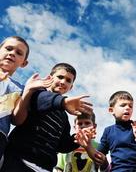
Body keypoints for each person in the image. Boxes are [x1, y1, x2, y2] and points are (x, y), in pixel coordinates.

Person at [1, 63, 93, 172]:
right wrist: (63, 101)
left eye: (68, 80)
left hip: (44, 167)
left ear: (71, 87)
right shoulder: (37, 93)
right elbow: (42, 99)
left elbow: (61, 146)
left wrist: (77, 138)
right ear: (50, 78)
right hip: (18, 161)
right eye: (60, 77)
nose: (63, 82)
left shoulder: (63, 116)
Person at [83, 90, 136, 171]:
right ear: (111, 110)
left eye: (130, 106)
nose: (128, 108)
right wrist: (88, 145)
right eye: (123, 105)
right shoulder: (108, 131)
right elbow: (100, 156)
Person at [0, 36, 30, 167]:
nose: (12, 53)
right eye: (8, 48)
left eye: (18, 53)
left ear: (23, 63)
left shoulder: (21, 89)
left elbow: (16, 120)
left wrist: (28, 93)